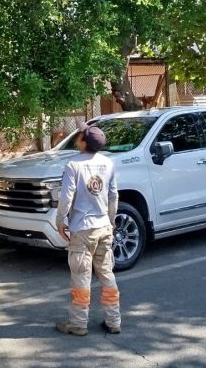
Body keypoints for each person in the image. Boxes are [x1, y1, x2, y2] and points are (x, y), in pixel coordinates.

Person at [55, 122, 121, 336]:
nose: (77, 136)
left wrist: (60, 220)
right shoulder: (108, 163)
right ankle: (114, 321)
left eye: (80, 134)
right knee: (106, 273)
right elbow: (113, 196)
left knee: (81, 276)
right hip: (103, 227)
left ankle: (78, 323)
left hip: (82, 229)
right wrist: (111, 221)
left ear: (83, 141)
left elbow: (66, 196)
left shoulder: (73, 164)